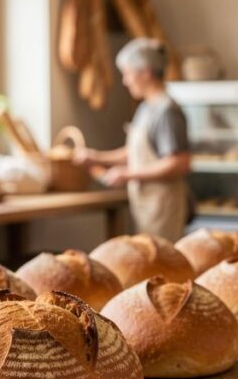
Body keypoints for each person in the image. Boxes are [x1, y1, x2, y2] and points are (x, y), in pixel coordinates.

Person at [74, 38, 191, 241]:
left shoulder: (167, 111)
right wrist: (97, 157)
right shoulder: (146, 107)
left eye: (127, 73)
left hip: (162, 205)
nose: (125, 81)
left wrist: (129, 175)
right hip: (146, 204)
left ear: (145, 72)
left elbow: (179, 162)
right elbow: (135, 152)